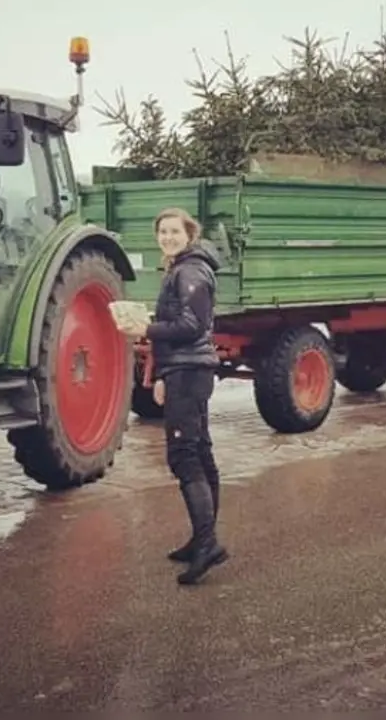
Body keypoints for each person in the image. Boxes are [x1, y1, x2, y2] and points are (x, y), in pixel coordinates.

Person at [123, 206, 227, 584]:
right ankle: (201, 538)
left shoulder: (191, 271)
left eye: (175, 232)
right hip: (184, 371)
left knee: (185, 457)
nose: (167, 237)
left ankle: (207, 544)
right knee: (199, 452)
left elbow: (190, 325)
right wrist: (163, 372)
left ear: (189, 235)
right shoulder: (180, 268)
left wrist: (146, 328)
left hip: (191, 372)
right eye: (162, 232)